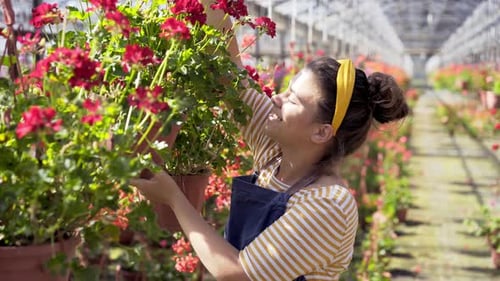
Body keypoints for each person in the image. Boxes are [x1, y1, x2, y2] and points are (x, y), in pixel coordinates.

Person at [130, 3, 409, 281]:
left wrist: (175, 199)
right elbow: (230, 73)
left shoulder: (329, 204)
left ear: (321, 133)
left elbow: (237, 273)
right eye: (287, 89)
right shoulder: (275, 155)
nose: (277, 98)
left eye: (294, 99)